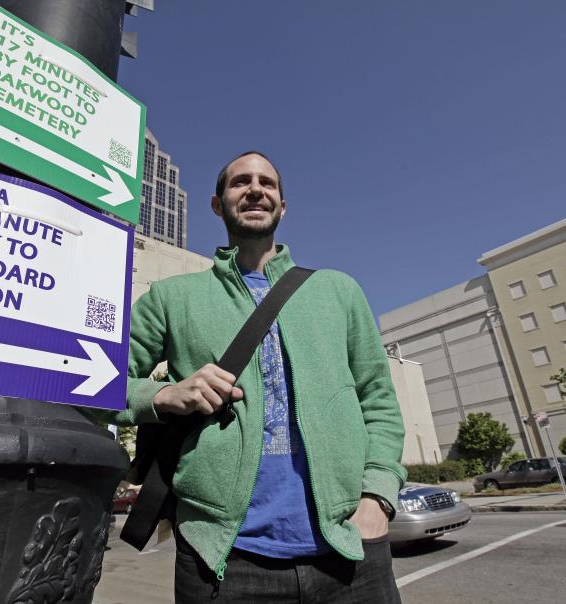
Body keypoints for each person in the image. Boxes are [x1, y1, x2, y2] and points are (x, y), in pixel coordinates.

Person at [117, 151, 406, 602]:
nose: (255, 189)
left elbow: (378, 401)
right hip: (220, 555)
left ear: (282, 206)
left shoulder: (338, 291)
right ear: (218, 204)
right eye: (240, 182)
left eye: (267, 183)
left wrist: (377, 497)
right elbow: (99, 379)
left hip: (347, 546)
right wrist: (165, 395)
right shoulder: (172, 297)